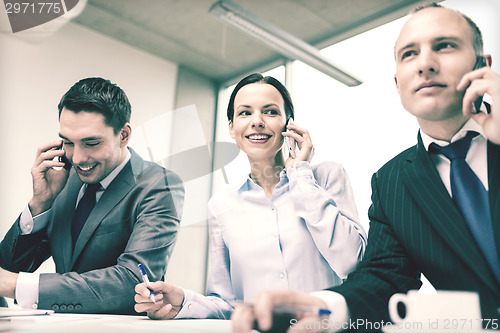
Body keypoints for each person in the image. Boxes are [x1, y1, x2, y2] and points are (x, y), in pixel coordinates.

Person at [231, 3, 500, 332]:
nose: (426, 64)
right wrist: (322, 307)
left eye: (444, 46)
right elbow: (385, 276)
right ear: (398, 82)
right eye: (410, 53)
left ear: (482, 65)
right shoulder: (392, 181)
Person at [134, 73, 367, 320]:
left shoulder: (326, 176)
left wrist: (301, 176)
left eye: (270, 111)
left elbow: (352, 261)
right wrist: (183, 301)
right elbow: (227, 303)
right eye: (245, 113)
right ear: (232, 128)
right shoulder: (221, 205)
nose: (257, 121)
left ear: (289, 125)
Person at [0, 77, 184, 314]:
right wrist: (41, 203)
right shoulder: (64, 178)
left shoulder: (160, 185)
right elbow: (8, 268)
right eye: (68, 143)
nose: (77, 159)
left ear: (124, 135)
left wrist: (17, 286)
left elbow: (133, 281)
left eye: (91, 143)